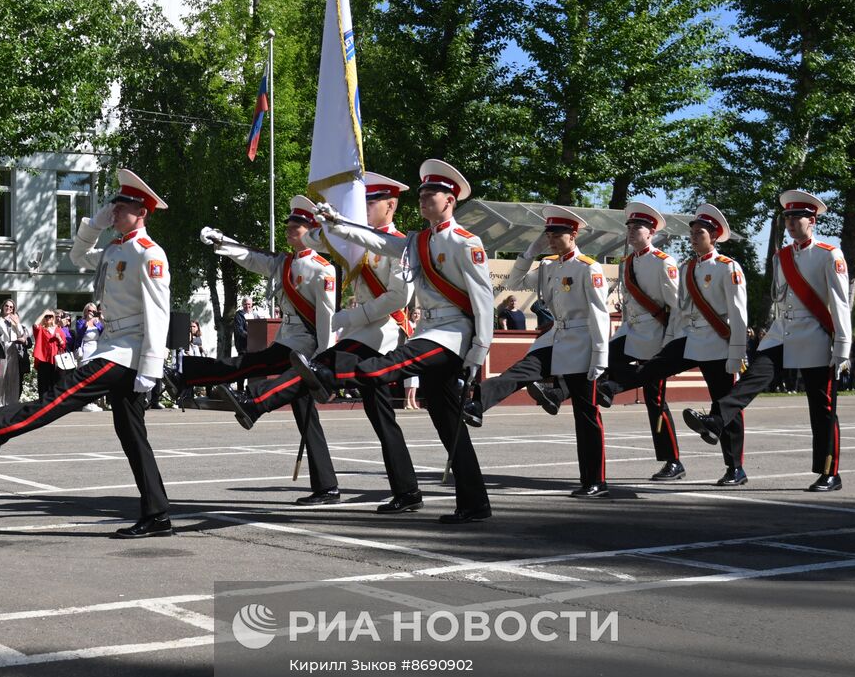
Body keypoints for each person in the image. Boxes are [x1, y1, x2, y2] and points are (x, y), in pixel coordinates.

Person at [0, 168, 175, 538]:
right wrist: (95, 224)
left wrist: (151, 367)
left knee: (64, 393)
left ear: (143, 212)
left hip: (128, 353)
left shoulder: (149, 255)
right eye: (114, 206)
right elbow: (76, 254)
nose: (115, 211)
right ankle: (157, 514)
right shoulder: (115, 249)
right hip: (113, 345)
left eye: (123, 207)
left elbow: (158, 312)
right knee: (132, 435)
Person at [206, 175, 431, 512]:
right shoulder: (361, 240)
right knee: (381, 417)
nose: (365, 208)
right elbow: (309, 241)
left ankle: (255, 402)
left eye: (371, 202)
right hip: (359, 333)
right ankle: (407, 491)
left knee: (319, 370)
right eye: (363, 201)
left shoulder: (400, 245)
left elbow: (398, 297)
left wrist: (350, 319)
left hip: (382, 333)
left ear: (391, 205)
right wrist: (226, 242)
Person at [303, 162, 496, 522]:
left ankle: (327, 376)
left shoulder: (467, 243)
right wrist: (337, 223)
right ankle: (475, 504)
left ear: (450, 200)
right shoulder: (417, 241)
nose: (422, 199)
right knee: (448, 424)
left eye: (430, 194)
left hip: (453, 337)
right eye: (421, 194)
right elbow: (377, 241)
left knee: (382, 367)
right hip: (430, 333)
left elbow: (484, 301)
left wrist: (478, 353)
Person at [166, 195, 341, 504]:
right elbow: (251, 257)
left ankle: (187, 373)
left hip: (304, 351)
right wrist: (222, 241)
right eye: (289, 226)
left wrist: (322, 366)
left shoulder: (323, 271)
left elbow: (326, 321)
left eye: (297, 226)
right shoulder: (284, 263)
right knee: (304, 417)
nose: (289, 231)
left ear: (312, 230)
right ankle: (327, 486)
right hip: (288, 342)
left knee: (245, 366)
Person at [685, 190, 851, 491]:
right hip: (781, 333)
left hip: (815, 334)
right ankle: (715, 420)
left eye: (796, 217)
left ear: (811, 221)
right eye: (786, 217)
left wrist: (842, 346)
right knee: (752, 379)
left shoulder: (829, 254)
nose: (790, 223)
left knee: (821, 406)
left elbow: (840, 303)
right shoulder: (781, 257)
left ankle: (830, 472)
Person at [463, 204, 611, 499]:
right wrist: (529, 253)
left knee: (586, 414)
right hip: (555, 337)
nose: (552, 240)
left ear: (573, 234)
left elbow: (600, 314)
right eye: (549, 235)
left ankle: (595, 480)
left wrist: (600, 356)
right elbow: (514, 284)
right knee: (522, 369)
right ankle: (478, 403)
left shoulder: (588, 267)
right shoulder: (547, 266)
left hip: (582, 343)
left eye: (558, 234)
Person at [597, 203, 751, 486]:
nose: (693, 237)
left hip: (718, 343)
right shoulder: (687, 267)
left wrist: (737, 353)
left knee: (724, 403)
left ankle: (735, 467)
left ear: (714, 236)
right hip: (690, 339)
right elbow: (679, 312)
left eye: (700, 232)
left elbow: (739, 315)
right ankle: (612, 387)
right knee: (654, 367)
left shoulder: (728, 267)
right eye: (692, 232)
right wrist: (668, 343)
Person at [533, 201, 684, 482]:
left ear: (651, 232)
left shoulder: (664, 262)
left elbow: (676, 307)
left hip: (656, 335)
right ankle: (574, 390)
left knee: (656, 399)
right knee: (603, 356)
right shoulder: (627, 263)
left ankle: (672, 460)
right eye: (629, 226)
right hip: (630, 332)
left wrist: (671, 344)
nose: (631, 231)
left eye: (638, 227)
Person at [0, 299, 28, 409]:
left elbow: (21, 334)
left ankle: (11, 403)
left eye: (11, 307)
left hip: (12, 351)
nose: (8, 308)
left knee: (13, 378)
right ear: (3, 306)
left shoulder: (15, 320)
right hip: (1, 351)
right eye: (6, 306)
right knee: (0, 378)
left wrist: (17, 323)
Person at [31, 310, 65, 399]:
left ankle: (52, 405)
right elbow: (35, 325)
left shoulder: (58, 330)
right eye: (46, 316)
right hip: (43, 359)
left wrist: (59, 338)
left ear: (53, 318)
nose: (48, 318)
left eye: (50, 316)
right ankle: (42, 404)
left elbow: (63, 345)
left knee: (54, 384)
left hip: (55, 360)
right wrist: (43, 313)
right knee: (43, 384)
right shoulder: (41, 329)